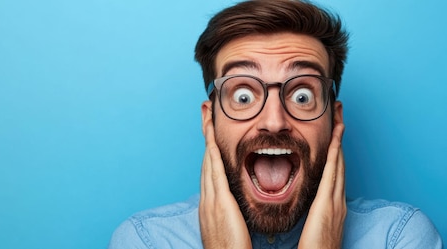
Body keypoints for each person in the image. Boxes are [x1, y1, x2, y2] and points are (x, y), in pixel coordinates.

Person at [108, 0, 443, 248]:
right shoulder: (146, 240)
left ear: (334, 118)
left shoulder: (398, 237)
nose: (273, 121)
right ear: (209, 120)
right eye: (243, 96)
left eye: (301, 95)